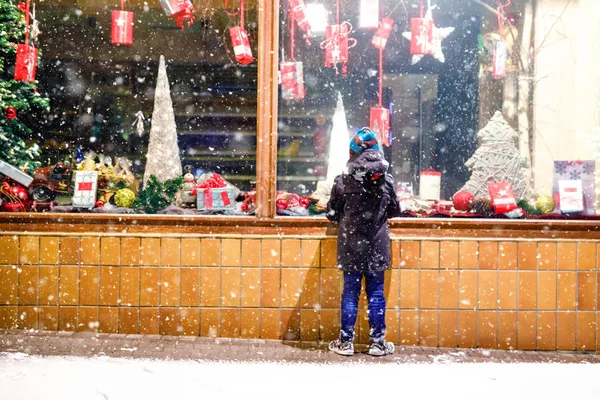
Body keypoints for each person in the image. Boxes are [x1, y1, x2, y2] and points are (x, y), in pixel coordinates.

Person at [326, 127, 401, 356]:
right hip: (377, 245)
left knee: (350, 292)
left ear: (353, 151)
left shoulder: (343, 180)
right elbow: (395, 210)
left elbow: (332, 213)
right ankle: (378, 343)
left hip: (351, 245)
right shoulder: (385, 181)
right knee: (376, 293)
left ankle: (346, 342)